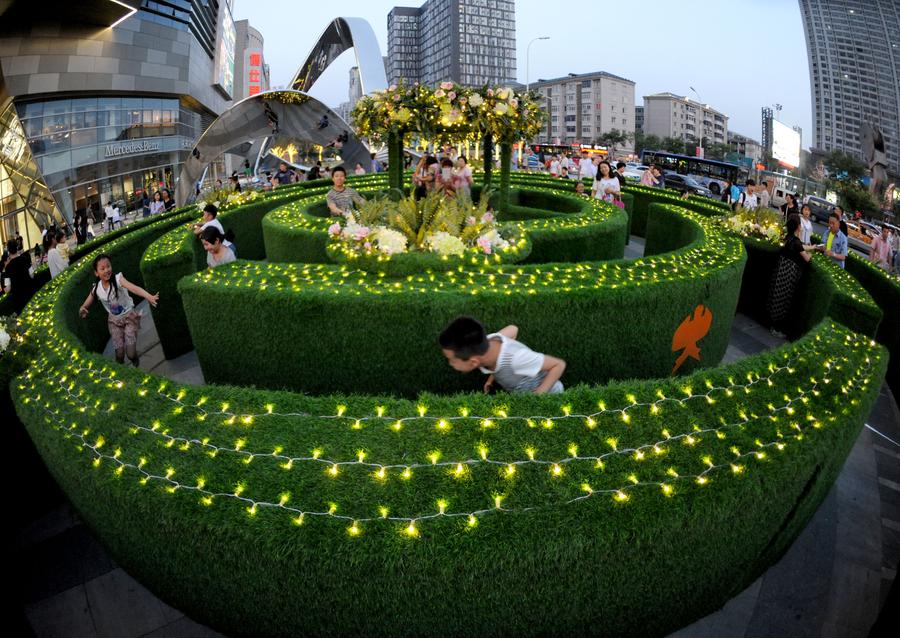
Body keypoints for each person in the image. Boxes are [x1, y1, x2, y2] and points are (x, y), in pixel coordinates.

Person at [438, 316, 566, 395]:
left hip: (549, 395)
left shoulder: (517, 359)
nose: (450, 364)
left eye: (452, 360)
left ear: (474, 362)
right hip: (521, 394)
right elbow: (513, 329)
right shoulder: (488, 341)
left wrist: (538, 396)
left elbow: (558, 364)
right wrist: (491, 379)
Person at [79, 254, 158, 367]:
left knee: (130, 354)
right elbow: (84, 305)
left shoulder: (118, 279)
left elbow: (134, 288)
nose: (107, 270)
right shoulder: (96, 288)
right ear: (96, 273)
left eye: (108, 266)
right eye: (102, 268)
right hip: (114, 322)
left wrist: (148, 296)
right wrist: (82, 309)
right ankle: (120, 373)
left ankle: (134, 358)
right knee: (119, 354)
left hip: (129, 317)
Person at [766, 216, 813, 339]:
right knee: (783, 300)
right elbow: (807, 258)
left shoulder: (789, 238)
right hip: (789, 273)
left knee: (777, 296)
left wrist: (811, 247)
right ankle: (776, 328)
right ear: (798, 227)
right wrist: (811, 252)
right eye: (800, 225)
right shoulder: (796, 241)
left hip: (781, 270)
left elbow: (800, 247)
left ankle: (772, 325)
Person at [2, 239, 35, 313]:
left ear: (8, 251)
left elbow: (8, 289)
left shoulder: (8, 267)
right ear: (17, 247)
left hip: (18, 300)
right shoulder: (25, 259)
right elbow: (32, 275)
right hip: (29, 294)